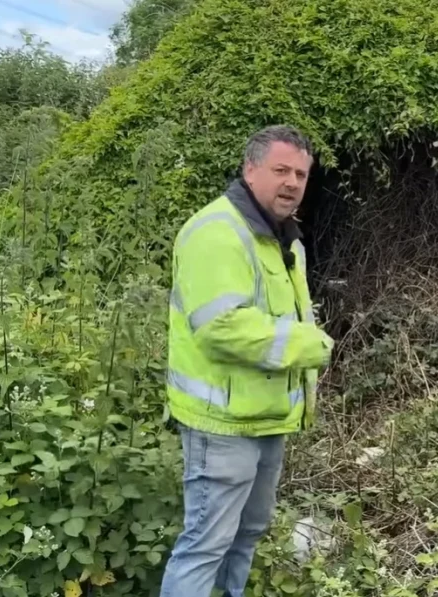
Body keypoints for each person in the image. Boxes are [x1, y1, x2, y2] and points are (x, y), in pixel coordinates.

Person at [160, 125, 334, 596]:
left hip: (265, 420)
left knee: (245, 537)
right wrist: (312, 345)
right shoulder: (217, 233)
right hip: (221, 424)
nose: (292, 182)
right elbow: (222, 328)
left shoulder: (284, 240)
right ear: (250, 169)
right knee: (204, 546)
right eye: (281, 170)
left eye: (300, 173)